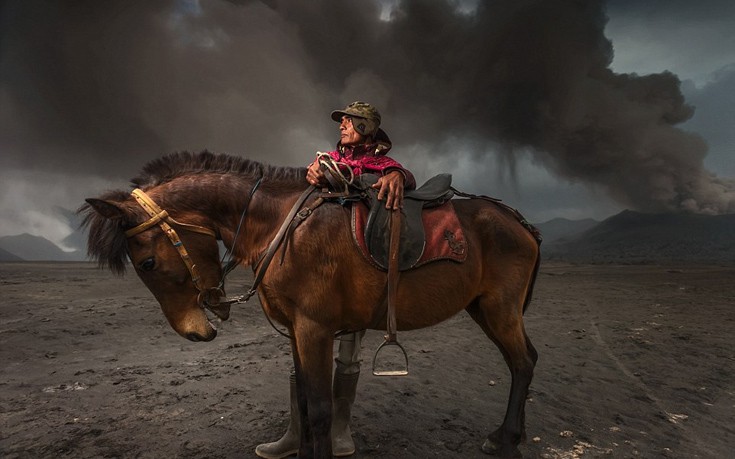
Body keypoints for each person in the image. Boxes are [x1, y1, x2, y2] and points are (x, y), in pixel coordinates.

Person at [255, 102, 415, 459]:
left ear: (365, 127)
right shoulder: (328, 158)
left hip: (353, 269)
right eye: (341, 120)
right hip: (318, 267)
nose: (342, 125)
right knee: (305, 352)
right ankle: (297, 432)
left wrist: (396, 178)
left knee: (347, 355)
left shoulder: (381, 164)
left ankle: (339, 429)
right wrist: (312, 174)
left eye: (349, 121)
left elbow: (404, 175)